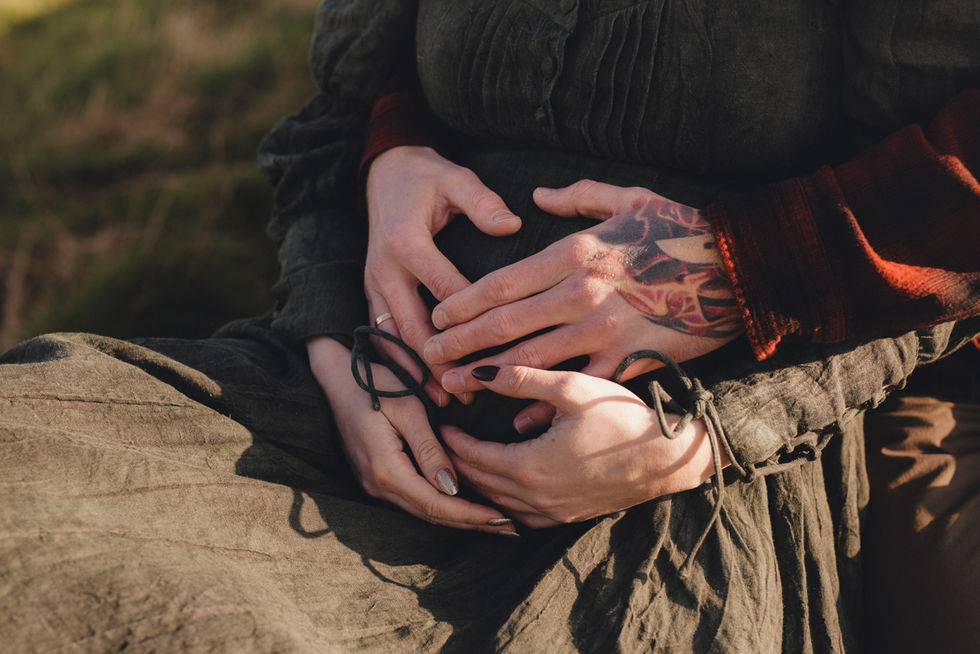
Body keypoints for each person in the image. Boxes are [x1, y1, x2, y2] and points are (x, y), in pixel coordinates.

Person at [0, 2, 977, 653]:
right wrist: (337, 333)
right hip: (336, 412)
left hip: (672, 475)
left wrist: (703, 424)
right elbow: (335, 118)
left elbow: (945, 242)